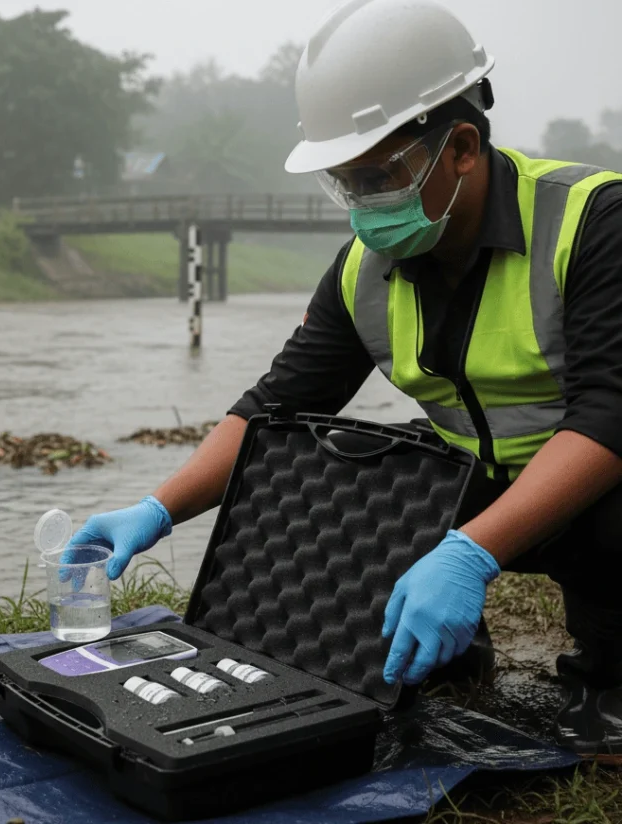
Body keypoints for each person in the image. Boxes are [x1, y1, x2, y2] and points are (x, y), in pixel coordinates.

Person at [66, 0, 622, 761]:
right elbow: (277, 407)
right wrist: (158, 508)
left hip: (597, 490)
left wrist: (470, 554)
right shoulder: (367, 269)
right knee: (338, 467)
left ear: (461, 147)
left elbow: (609, 415)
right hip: (491, 482)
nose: (363, 204)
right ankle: (444, 657)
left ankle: (609, 682)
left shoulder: (593, 221)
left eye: (379, 176)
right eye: (344, 182)